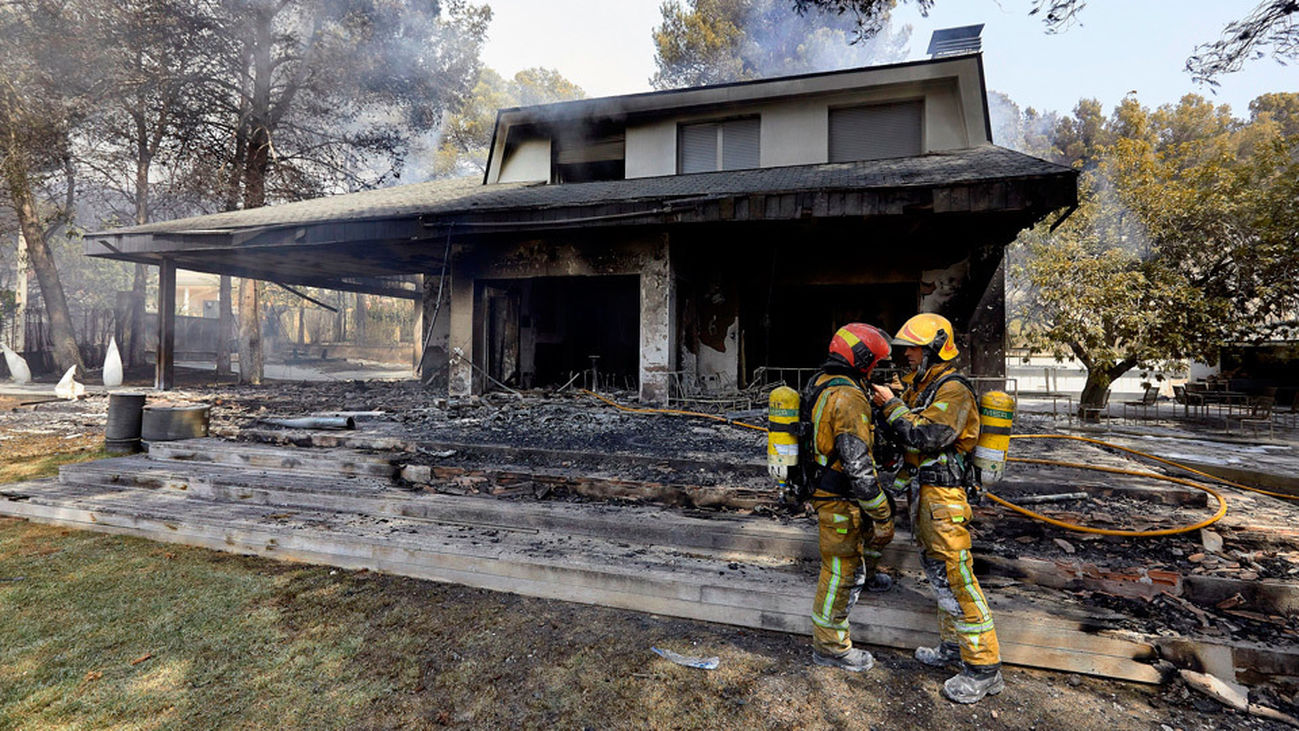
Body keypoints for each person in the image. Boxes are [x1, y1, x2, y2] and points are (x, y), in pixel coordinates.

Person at [869, 313, 1003, 704]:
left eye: (914, 348)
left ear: (935, 349)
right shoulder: (925, 386)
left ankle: (984, 668)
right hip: (926, 497)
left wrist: (892, 405)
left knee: (957, 578)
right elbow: (906, 437)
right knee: (938, 576)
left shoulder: (953, 390)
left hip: (944, 499)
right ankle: (953, 648)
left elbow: (925, 435)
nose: (907, 355)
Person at [803, 323, 896, 672]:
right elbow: (858, 465)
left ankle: (865, 576)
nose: (877, 371)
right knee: (840, 571)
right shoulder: (849, 397)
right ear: (862, 359)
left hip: (828, 488)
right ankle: (830, 647)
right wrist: (882, 514)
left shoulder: (824, 382)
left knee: (851, 558)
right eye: (876, 363)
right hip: (839, 495)